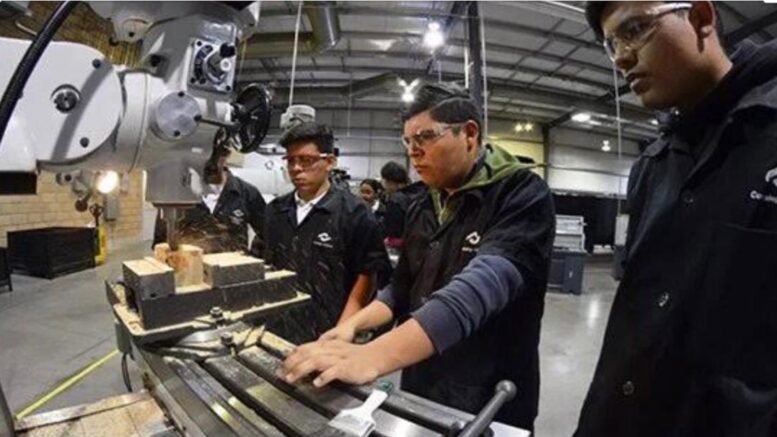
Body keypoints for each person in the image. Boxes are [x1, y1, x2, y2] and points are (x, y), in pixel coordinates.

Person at [281, 83, 555, 431]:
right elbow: (400, 289)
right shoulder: (422, 204)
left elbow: (482, 287)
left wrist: (375, 355)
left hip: (489, 393)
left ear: (469, 134)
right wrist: (352, 326)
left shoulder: (521, 194)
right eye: (408, 141)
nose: (414, 152)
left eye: (425, 137)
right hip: (422, 385)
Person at [576, 2, 777, 436]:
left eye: (635, 29)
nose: (621, 57)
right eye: (611, 44)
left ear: (701, 17)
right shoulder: (653, 164)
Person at [263, 122, 390, 345]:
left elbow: (367, 274)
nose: (296, 168)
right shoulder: (276, 210)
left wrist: (343, 329)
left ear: (330, 162)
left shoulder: (354, 213)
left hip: (328, 331)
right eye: (291, 160)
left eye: (306, 160)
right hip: (276, 328)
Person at [153, 146, 266, 253]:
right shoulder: (176, 195)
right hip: (188, 264)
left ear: (225, 156)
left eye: (213, 158)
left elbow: (267, 234)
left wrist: (253, 259)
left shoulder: (246, 193)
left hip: (234, 266)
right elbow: (160, 242)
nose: (206, 164)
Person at [380, 161, 426, 248]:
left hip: (401, 249)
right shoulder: (420, 193)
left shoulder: (395, 200)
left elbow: (393, 234)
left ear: (389, 181)